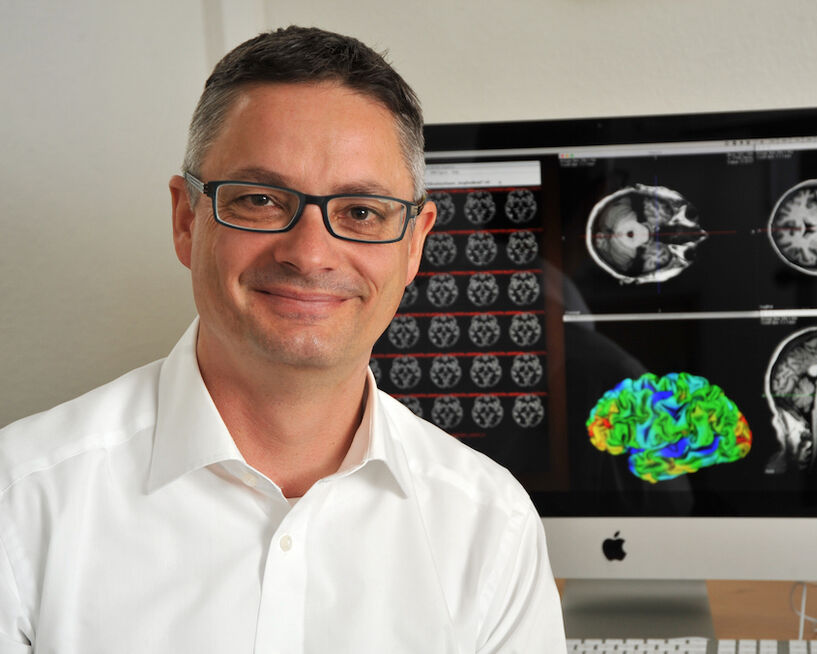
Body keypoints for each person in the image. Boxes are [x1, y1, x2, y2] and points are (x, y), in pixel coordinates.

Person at [0, 26, 566, 653]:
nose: (310, 253)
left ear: (414, 244)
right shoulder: (19, 505)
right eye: (262, 199)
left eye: (361, 212)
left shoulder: (491, 526)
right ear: (187, 220)